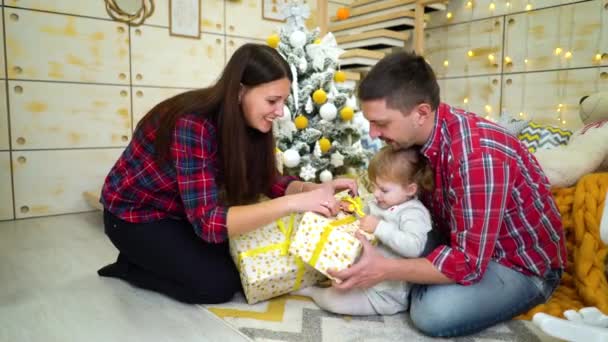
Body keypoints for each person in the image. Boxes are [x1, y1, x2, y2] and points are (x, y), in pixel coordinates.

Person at [328, 51, 566, 337]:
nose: (373, 133)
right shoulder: (415, 139)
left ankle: (413, 285)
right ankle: (414, 279)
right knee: (375, 245)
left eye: (382, 123)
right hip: (453, 240)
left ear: (421, 113)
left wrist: (386, 270)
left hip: (518, 265)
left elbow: (468, 264)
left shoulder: (476, 156)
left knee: (432, 313)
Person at [97, 43, 356, 305]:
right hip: (134, 216)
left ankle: (153, 258)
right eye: (271, 100)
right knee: (216, 286)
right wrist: (293, 203)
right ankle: (130, 266)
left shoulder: (250, 122)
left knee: (240, 262)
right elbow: (208, 223)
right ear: (240, 91)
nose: (280, 112)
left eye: (283, 101)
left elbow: (269, 181)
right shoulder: (192, 123)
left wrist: (309, 190)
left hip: (182, 211)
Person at [294, 146, 434, 316]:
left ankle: (313, 292)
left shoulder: (413, 213)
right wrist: (352, 209)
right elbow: (364, 216)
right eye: (374, 186)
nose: (375, 194)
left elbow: (414, 247)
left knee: (335, 302)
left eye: (383, 190)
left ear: (410, 190)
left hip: (385, 294)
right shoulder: (382, 202)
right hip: (361, 275)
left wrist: (379, 227)